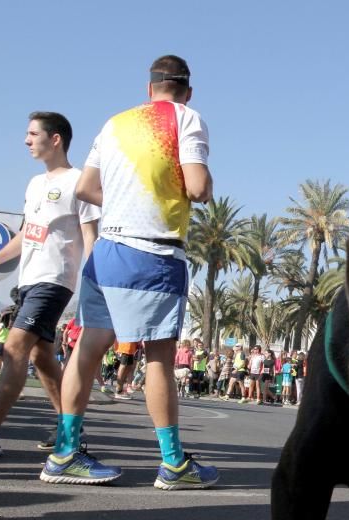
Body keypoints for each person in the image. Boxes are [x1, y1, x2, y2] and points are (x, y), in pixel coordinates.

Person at [41, 55, 217, 489]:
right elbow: (197, 187)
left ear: (149, 87)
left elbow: (84, 188)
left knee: (88, 350)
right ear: (187, 90)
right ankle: (174, 464)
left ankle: (64, 454)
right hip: (152, 254)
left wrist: (121, 204)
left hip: (106, 250)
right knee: (158, 354)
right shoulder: (186, 118)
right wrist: (205, 185)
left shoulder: (114, 122)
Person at [0, 112, 99, 457]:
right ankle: (69, 428)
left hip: (55, 280)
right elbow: (27, 233)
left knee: (13, 348)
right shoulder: (34, 184)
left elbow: (91, 237)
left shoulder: (79, 182)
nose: (27, 141)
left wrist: (97, 281)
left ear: (55, 138)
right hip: (29, 280)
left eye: (32, 134)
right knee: (42, 355)